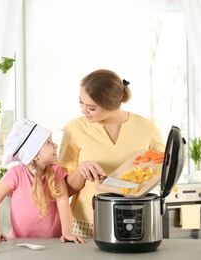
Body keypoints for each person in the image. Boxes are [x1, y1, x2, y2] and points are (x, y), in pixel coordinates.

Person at [58, 69, 165, 237]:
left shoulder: (146, 127)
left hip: (135, 221)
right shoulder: (75, 128)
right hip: (85, 226)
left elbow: (165, 170)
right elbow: (62, 190)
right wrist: (81, 169)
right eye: (81, 103)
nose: (83, 111)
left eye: (91, 108)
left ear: (110, 104)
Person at [0, 119, 86, 244]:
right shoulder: (15, 174)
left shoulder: (56, 171)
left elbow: (63, 201)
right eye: (48, 142)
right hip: (19, 244)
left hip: (54, 243)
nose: (56, 145)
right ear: (34, 154)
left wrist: (67, 233)